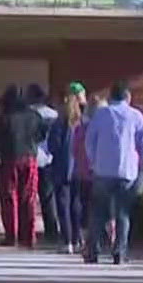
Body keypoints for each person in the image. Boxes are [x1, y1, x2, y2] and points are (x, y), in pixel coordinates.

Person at [84, 80, 143, 264]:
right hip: (127, 171)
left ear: (110, 96)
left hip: (102, 170)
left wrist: (93, 161)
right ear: (128, 96)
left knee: (98, 212)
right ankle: (119, 252)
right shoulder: (136, 116)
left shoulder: (100, 114)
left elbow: (89, 141)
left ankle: (93, 251)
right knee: (123, 214)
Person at [0, 84, 47, 248]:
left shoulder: (5, 117)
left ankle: (11, 235)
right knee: (28, 198)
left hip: (9, 159)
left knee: (9, 198)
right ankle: (29, 236)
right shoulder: (35, 116)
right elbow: (41, 135)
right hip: (30, 159)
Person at [52, 89, 85, 253]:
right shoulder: (82, 123)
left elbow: (53, 146)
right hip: (79, 169)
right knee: (76, 204)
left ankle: (67, 240)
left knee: (63, 205)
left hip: (62, 168)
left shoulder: (59, 123)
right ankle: (77, 237)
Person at [27, 83, 61, 243]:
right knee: (49, 197)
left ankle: (28, 228)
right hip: (50, 159)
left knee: (29, 196)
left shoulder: (29, 115)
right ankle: (52, 230)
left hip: (32, 158)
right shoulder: (54, 115)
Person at [72, 92, 105, 253]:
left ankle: (86, 240)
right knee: (102, 208)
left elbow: (74, 150)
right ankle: (105, 239)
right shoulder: (105, 129)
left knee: (86, 208)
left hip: (84, 173)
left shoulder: (81, 129)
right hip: (102, 173)